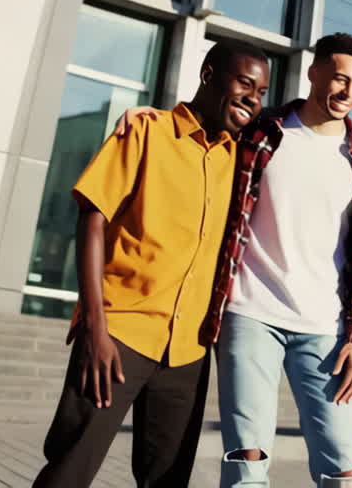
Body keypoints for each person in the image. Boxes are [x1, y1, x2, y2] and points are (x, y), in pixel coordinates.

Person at [113, 33, 352, 487]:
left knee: (343, 466)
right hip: (249, 315)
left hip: (325, 327)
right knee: (247, 458)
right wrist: (152, 118)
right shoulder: (259, 131)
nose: (349, 92)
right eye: (341, 79)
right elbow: (197, 131)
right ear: (314, 72)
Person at [33, 40, 270, 488]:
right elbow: (93, 219)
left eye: (261, 92)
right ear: (208, 75)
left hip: (189, 350)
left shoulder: (240, 159)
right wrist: (95, 329)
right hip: (120, 333)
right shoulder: (146, 131)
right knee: (70, 468)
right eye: (244, 84)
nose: (252, 99)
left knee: (168, 480)